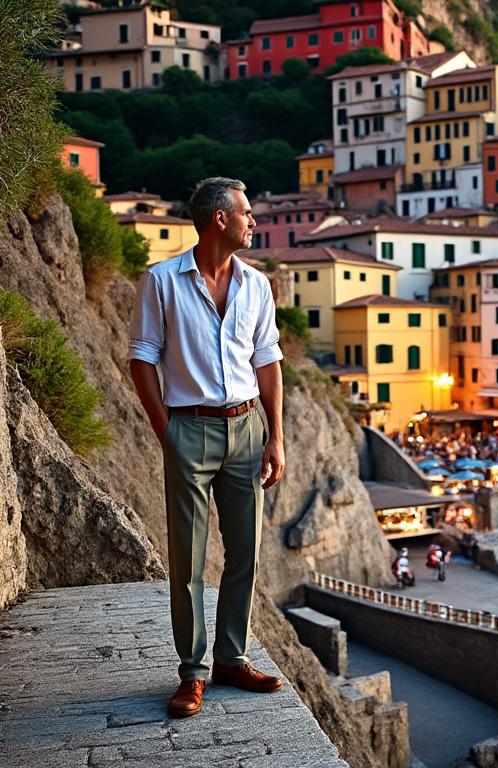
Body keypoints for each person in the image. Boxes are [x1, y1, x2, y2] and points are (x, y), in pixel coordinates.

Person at [128, 177, 286, 719]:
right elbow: (141, 359)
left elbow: (268, 362)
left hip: (246, 428)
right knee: (188, 560)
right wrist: (166, 431)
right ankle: (193, 673)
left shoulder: (256, 285)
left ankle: (232, 659)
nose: (253, 221)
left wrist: (275, 436)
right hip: (188, 431)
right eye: (247, 213)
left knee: (246, 552)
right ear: (220, 219)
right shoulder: (161, 281)